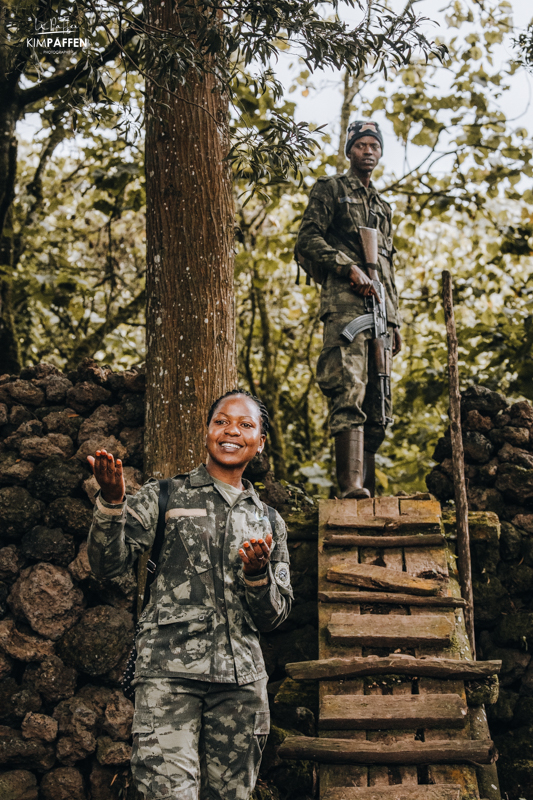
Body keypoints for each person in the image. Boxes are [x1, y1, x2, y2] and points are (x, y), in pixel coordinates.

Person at [86, 389, 292, 800]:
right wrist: (112, 504)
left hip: (241, 685)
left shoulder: (268, 520)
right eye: (222, 421)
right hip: (168, 677)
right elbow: (106, 566)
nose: (232, 431)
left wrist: (257, 576)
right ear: (207, 431)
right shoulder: (164, 496)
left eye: (246, 425)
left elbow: (275, 618)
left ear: (261, 441)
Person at [297, 119, 402, 498]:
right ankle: (351, 487)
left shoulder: (382, 207)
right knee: (349, 389)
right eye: (361, 145)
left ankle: (367, 489)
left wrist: (394, 321)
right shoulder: (332, 189)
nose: (368, 151)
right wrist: (348, 267)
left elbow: (388, 268)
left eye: (374, 145)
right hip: (346, 311)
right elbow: (307, 239)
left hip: (379, 315)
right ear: (350, 151)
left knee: (379, 399)